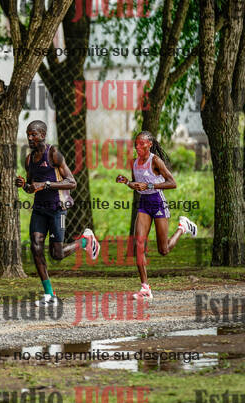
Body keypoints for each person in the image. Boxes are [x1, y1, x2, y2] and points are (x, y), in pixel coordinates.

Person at [16, 120, 100, 306]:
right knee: (36, 247)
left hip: (57, 209)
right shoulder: (29, 159)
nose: (30, 138)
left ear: (43, 135)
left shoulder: (53, 154)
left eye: (34, 134)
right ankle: (49, 295)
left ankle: (85, 241)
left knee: (57, 254)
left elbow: (72, 182)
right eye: (28, 134)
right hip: (39, 209)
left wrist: (46, 184)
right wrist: (24, 185)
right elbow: (31, 187)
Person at [116, 130, 197, 300]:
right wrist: (127, 182)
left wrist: (150, 186)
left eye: (142, 144)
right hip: (144, 204)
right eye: (136, 144)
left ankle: (183, 227)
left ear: (150, 144)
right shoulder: (134, 162)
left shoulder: (155, 161)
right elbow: (137, 185)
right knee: (138, 245)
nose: (138, 147)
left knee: (164, 250)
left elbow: (172, 183)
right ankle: (145, 288)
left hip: (158, 202)